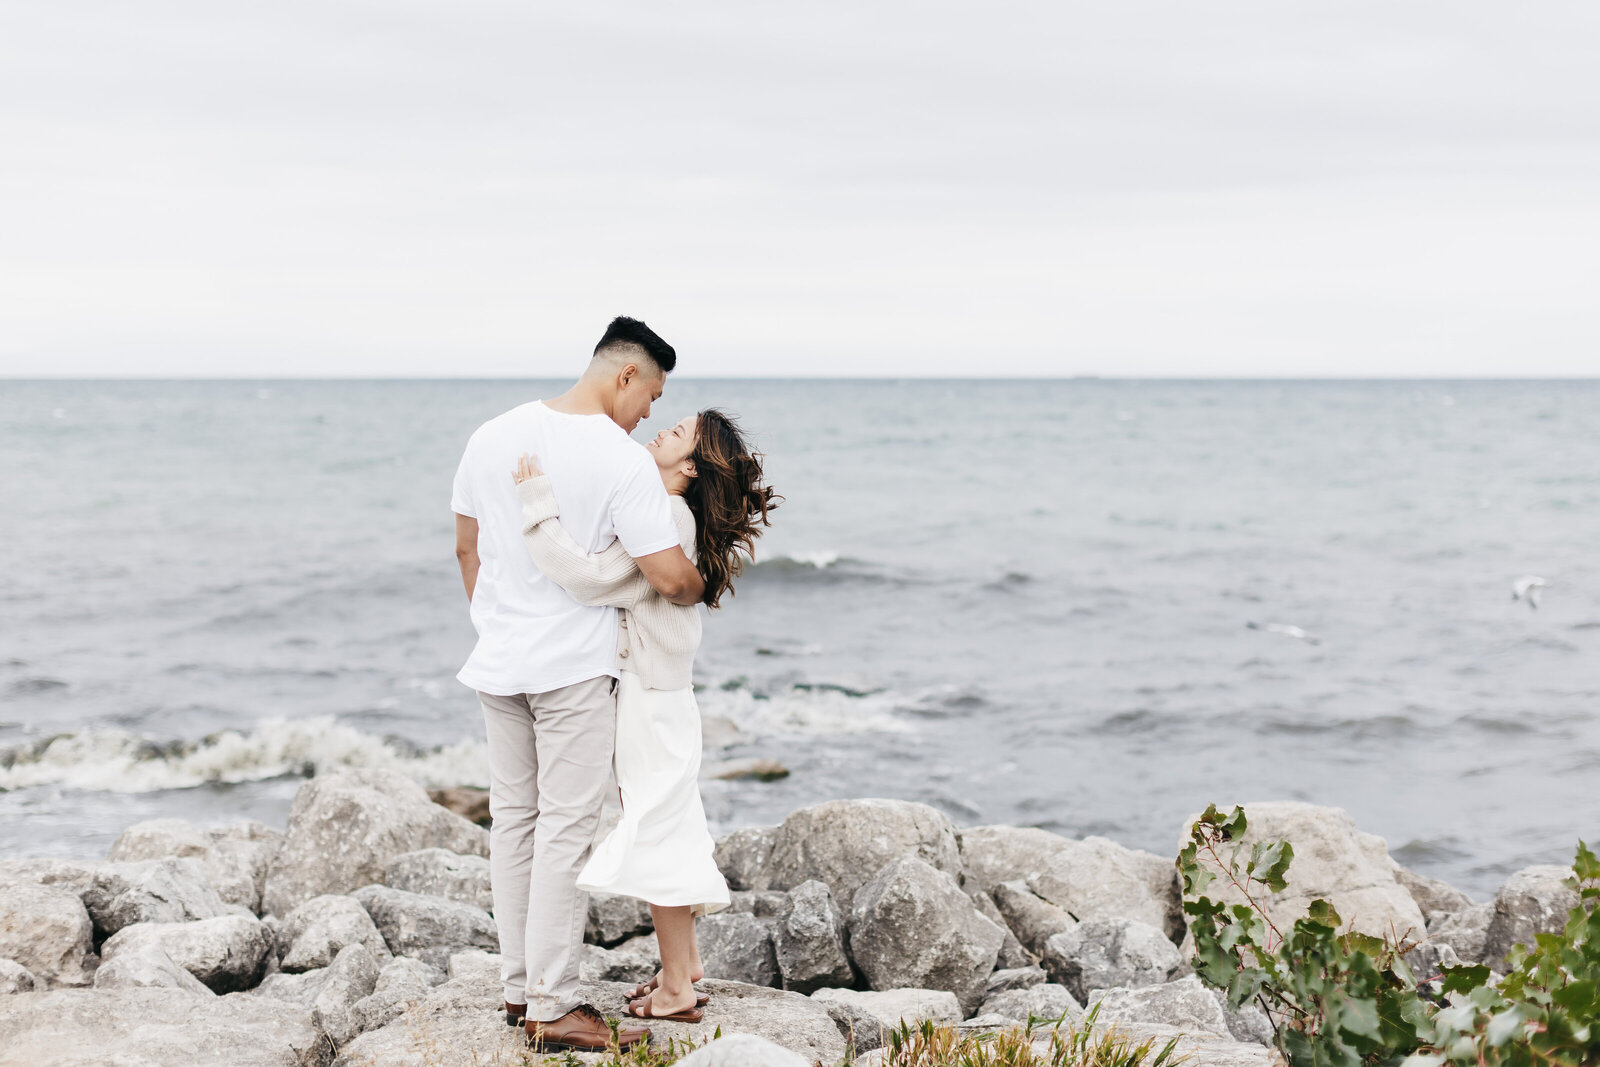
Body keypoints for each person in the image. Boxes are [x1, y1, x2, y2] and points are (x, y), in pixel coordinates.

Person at [450, 316, 704, 1053]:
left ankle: (517, 986)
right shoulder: (620, 459)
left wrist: (498, 625)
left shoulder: (491, 436)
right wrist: (702, 581)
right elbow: (664, 574)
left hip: (499, 663)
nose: (650, 413)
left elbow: (466, 546)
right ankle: (553, 1004)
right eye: (653, 394)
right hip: (571, 671)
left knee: (514, 822)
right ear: (627, 375)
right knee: (565, 828)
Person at [511, 406, 777, 1023]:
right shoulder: (667, 514)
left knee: (657, 836)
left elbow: (584, 578)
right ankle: (680, 972)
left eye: (677, 432)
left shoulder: (666, 519)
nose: (661, 431)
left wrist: (536, 504)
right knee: (668, 828)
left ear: (689, 466)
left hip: (651, 702)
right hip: (663, 697)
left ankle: (679, 989)